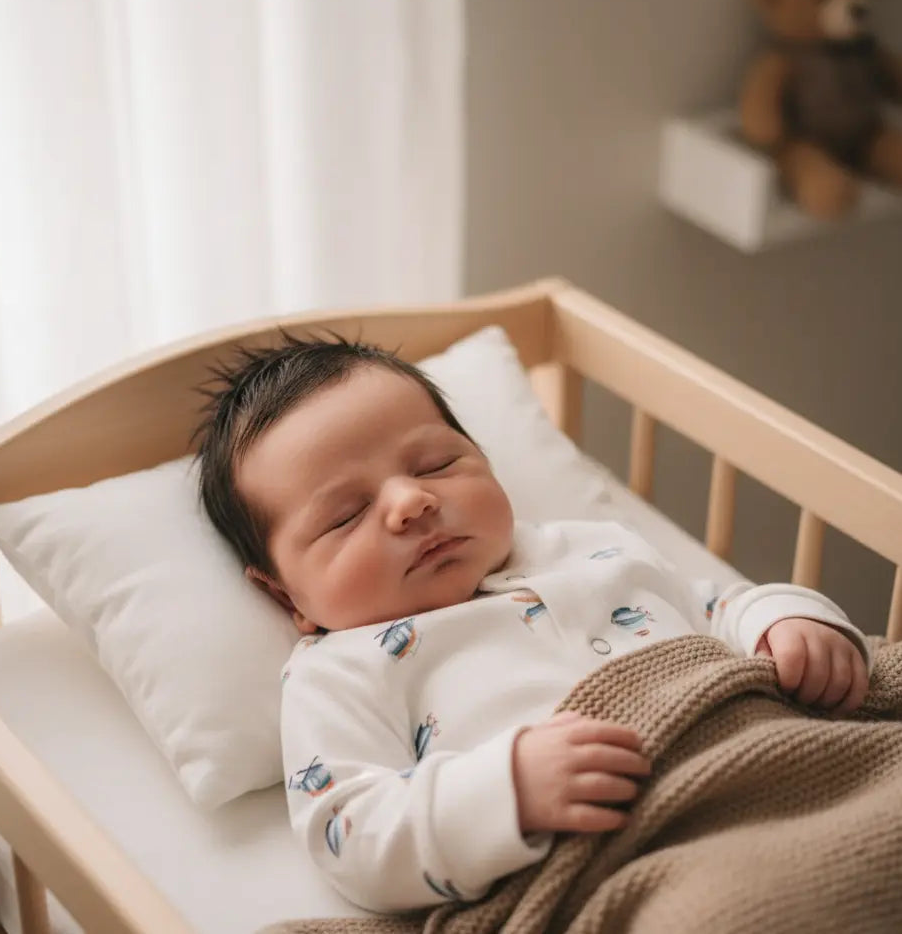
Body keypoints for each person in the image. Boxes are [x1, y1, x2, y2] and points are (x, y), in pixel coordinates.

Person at [195, 335, 872, 914]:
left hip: (781, 763)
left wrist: (785, 622)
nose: (411, 501)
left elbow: (712, 605)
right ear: (288, 598)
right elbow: (348, 828)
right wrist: (503, 789)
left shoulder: (591, 546)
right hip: (631, 857)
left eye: (435, 464)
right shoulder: (339, 671)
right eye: (344, 516)